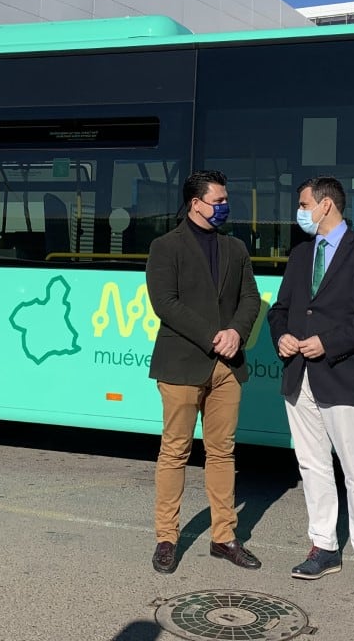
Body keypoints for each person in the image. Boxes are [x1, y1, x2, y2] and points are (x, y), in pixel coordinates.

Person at [268, 176, 354, 593]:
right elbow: (280, 310)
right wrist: (281, 335)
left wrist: (328, 343)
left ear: (325, 206)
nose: (299, 212)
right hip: (298, 375)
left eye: (304, 204)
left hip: (343, 375)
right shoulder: (302, 255)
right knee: (312, 466)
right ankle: (323, 547)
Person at [145, 170, 262, 574]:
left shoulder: (236, 248)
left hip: (227, 368)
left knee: (222, 451)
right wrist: (214, 335)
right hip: (181, 364)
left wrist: (236, 333)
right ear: (195, 203)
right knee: (175, 451)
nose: (224, 206)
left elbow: (250, 298)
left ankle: (224, 537)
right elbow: (165, 303)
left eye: (225, 199)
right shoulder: (165, 247)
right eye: (218, 200)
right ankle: (166, 538)